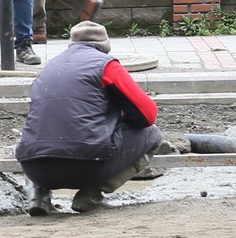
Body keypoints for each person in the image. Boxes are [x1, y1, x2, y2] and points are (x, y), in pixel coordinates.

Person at [17, 20, 163, 216]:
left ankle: (38, 195)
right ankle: (91, 196)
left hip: (34, 167)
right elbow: (148, 115)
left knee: (42, 133)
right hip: (85, 166)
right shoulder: (107, 66)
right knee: (152, 135)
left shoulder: (49, 68)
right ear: (105, 46)